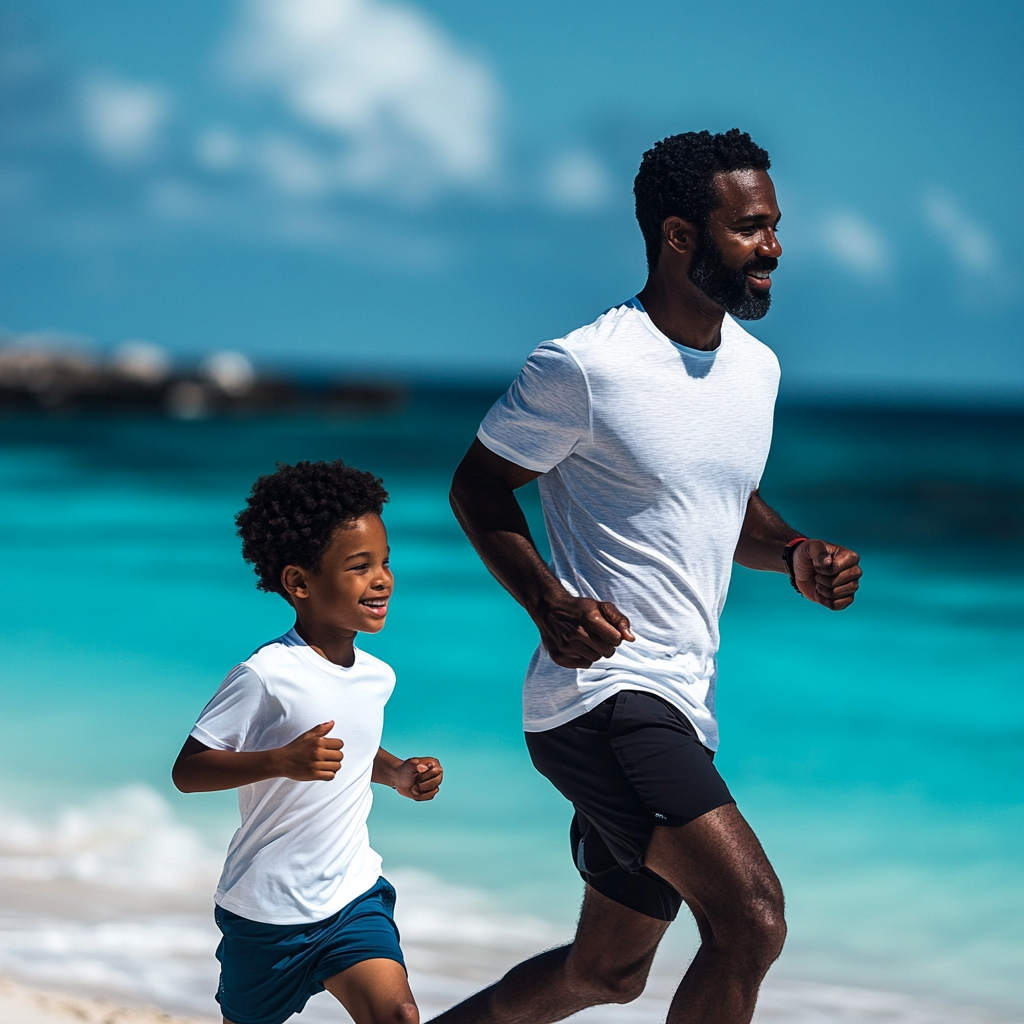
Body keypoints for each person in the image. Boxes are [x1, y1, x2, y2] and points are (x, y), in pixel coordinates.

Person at [438, 130, 862, 1024]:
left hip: (685, 699)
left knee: (607, 974)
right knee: (752, 919)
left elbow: (724, 500)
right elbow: (478, 485)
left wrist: (791, 553)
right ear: (678, 236)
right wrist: (549, 603)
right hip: (603, 700)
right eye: (750, 228)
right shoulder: (585, 366)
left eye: (776, 226)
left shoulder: (757, 370)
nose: (775, 248)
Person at [172, 459, 443, 1024]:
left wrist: (395, 773)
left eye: (385, 562)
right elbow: (189, 770)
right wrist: (279, 761)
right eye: (359, 566)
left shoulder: (377, 676)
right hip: (267, 910)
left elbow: (353, 750)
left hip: (352, 893)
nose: (383, 578)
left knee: (399, 1015)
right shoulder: (267, 674)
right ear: (299, 583)